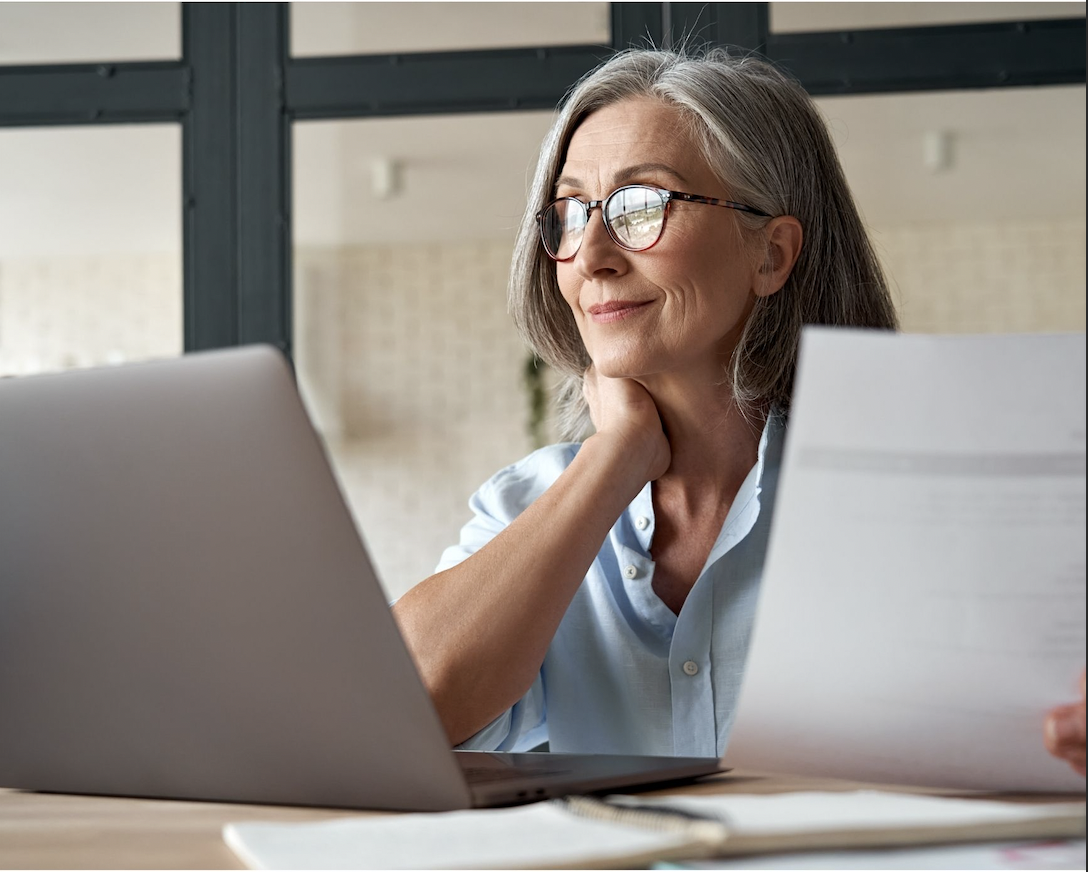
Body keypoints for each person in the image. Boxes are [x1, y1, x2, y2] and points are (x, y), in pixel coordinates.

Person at [392, 48, 1086, 776]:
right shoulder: (525, 506)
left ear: (771, 254)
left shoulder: (928, 496)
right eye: (569, 213)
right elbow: (406, 708)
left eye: (642, 206)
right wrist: (616, 455)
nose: (590, 253)